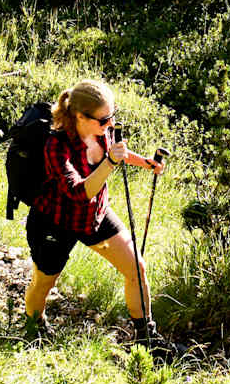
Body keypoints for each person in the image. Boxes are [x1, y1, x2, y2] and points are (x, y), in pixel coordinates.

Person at [23, 80, 171, 349]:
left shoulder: (102, 130)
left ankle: (146, 338)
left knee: (136, 268)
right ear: (80, 116)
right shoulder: (56, 145)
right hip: (54, 222)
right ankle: (35, 325)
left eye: (113, 116)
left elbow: (118, 153)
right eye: (104, 119)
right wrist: (110, 163)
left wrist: (145, 163)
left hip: (94, 217)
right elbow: (80, 192)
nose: (110, 124)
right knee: (44, 281)